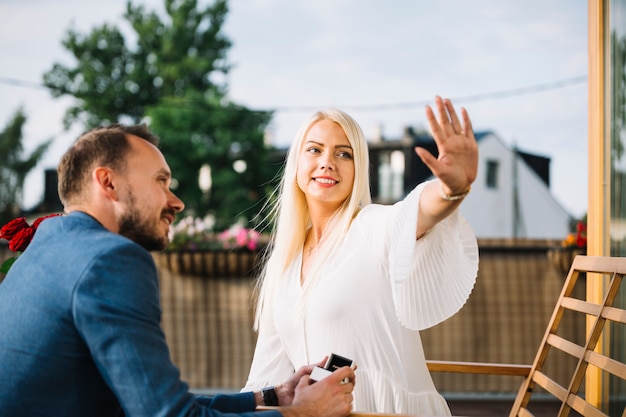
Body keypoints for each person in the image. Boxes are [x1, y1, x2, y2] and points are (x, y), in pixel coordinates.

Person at [0, 124, 355, 417]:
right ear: (107, 183)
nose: (177, 202)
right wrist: (302, 414)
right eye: (160, 181)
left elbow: (147, 401)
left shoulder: (44, 249)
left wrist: (275, 396)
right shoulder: (109, 259)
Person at [242, 96, 479, 416]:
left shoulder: (370, 227)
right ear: (296, 162)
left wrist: (451, 189)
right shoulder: (282, 264)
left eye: (344, 153)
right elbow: (267, 375)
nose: (327, 161)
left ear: (358, 170)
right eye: (314, 149)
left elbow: (416, 212)